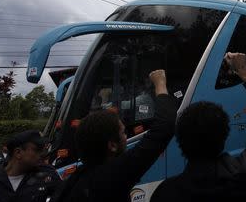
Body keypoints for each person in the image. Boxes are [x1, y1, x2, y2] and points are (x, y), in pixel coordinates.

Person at [151, 52, 246, 202]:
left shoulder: (166, 193)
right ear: (224, 135)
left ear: (180, 140)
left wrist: (160, 88)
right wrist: (245, 72)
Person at [52, 69, 178, 202]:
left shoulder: (74, 181)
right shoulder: (114, 173)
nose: (125, 137)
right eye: (123, 133)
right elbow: (165, 126)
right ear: (112, 145)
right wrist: (160, 83)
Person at [0, 130, 61, 202]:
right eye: (37, 150)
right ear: (18, 153)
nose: (42, 154)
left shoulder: (48, 174)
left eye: (43, 150)